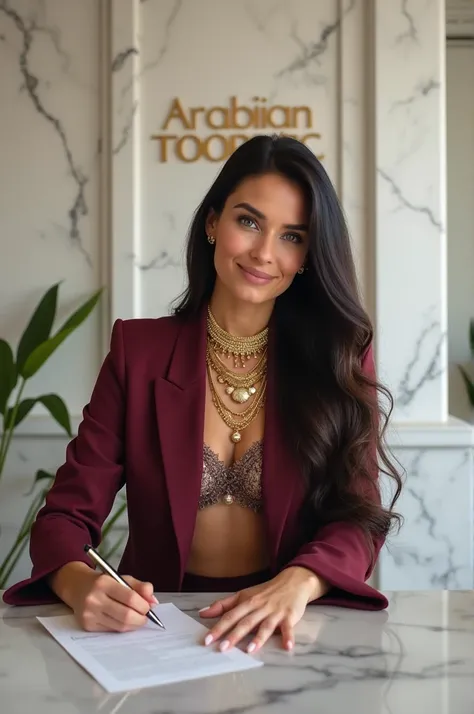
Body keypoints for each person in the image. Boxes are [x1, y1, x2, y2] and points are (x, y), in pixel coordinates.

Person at [3, 134, 402, 655]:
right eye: (249, 221)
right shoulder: (138, 351)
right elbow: (64, 517)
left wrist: (300, 582)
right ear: (213, 223)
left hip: (287, 630)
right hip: (154, 633)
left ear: (308, 255)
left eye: (292, 236)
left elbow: (358, 516)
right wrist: (81, 586)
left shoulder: (341, 355)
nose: (264, 253)